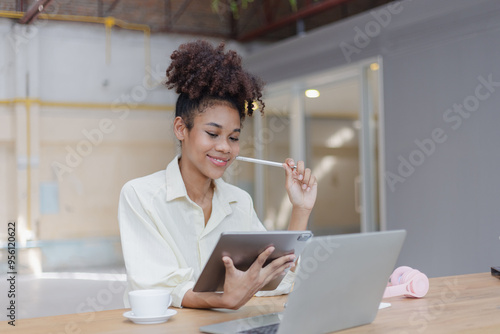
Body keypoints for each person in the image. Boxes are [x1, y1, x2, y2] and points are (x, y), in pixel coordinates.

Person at [118, 40, 317, 310]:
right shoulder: (140, 195)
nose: (225, 147)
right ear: (181, 129)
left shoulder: (239, 202)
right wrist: (225, 299)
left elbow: (275, 281)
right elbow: (158, 286)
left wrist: (300, 210)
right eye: (212, 134)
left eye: (233, 137)